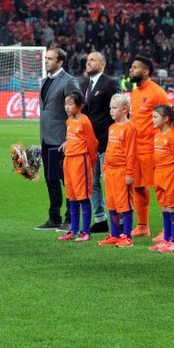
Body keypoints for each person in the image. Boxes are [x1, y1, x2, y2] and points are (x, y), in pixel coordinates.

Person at [35, 48, 80, 231]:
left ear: (60, 62)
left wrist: (70, 137)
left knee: (67, 180)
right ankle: (54, 218)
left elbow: (77, 109)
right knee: (50, 179)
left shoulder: (69, 81)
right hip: (47, 139)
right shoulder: (45, 80)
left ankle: (70, 219)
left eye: (50, 59)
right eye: (46, 58)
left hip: (62, 140)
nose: (46, 61)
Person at [129, 56, 170, 238]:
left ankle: (167, 229)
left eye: (135, 67)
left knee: (161, 188)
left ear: (145, 71)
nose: (131, 70)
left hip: (153, 150)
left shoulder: (157, 93)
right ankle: (143, 226)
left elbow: (167, 122)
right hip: (136, 149)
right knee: (138, 187)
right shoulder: (135, 93)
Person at [81, 51, 121, 234]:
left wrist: (116, 137)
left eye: (92, 60)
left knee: (110, 182)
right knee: (93, 183)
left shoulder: (110, 83)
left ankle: (120, 218)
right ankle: (100, 219)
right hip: (91, 144)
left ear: (102, 65)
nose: (88, 62)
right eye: (87, 60)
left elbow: (119, 110)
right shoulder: (84, 84)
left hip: (107, 142)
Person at [57, 90, 99, 242]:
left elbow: (92, 143)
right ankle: (74, 230)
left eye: (70, 104)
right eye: (65, 104)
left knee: (82, 197)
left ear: (80, 105)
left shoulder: (85, 121)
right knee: (72, 196)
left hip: (81, 161)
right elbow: (74, 139)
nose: (66, 107)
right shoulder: (69, 121)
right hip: (68, 160)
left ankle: (85, 232)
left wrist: (91, 162)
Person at [97, 94, 137, 248]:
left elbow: (131, 153)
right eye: (110, 108)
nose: (111, 111)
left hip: (122, 172)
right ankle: (114, 234)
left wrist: (129, 173)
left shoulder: (129, 128)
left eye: (114, 108)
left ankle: (127, 236)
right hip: (111, 172)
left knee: (125, 204)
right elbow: (109, 150)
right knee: (112, 204)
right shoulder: (112, 128)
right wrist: (105, 169)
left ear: (125, 110)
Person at [148, 104, 174, 254]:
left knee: (172, 206)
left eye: (155, 117)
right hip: (159, 172)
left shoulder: (172, 136)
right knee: (164, 206)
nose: (153, 120)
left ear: (166, 119)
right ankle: (166, 240)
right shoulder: (157, 135)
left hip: (171, 172)